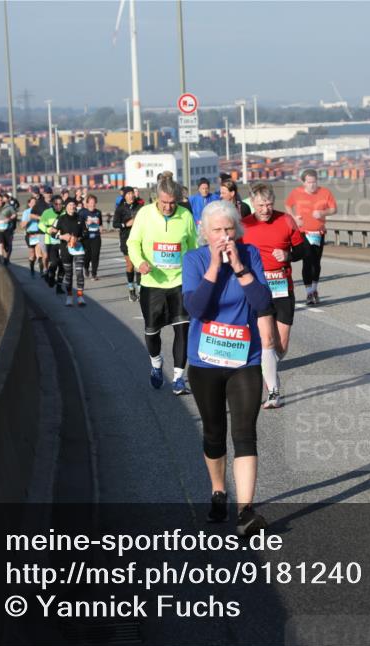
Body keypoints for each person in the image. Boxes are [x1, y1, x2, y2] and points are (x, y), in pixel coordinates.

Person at [182, 199, 273, 536]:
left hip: (244, 359)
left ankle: (245, 511)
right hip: (205, 361)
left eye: (229, 229)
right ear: (204, 233)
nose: (224, 236)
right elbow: (196, 307)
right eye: (217, 230)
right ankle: (219, 491)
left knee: (245, 432)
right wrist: (213, 267)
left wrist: (238, 267)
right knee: (214, 431)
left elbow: (263, 303)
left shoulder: (250, 255)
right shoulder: (193, 260)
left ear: (238, 230)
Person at [127, 177, 198, 394]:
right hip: (152, 283)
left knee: (183, 329)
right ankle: (156, 364)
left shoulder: (185, 216)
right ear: (157, 198)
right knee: (151, 332)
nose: (168, 207)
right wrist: (139, 262)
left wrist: (196, 276)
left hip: (179, 282)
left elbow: (193, 247)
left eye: (172, 202)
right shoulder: (145, 214)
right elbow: (133, 242)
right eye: (164, 202)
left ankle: (178, 378)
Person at [242, 183, 309, 409]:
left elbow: (303, 250)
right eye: (261, 205)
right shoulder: (244, 225)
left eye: (269, 204)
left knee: (281, 346)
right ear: (252, 203)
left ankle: (268, 365)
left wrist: (287, 254)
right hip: (258, 289)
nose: (265, 209)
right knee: (267, 341)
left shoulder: (286, 220)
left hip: (282, 288)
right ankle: (273, 391)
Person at [286, 169, 337, 305]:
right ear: (303, 182)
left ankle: (314, 290)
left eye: (314, 182)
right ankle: (309, 293)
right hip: (303, 232)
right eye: (309, 182)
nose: (312, 185)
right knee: (307, 260)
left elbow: (334, 209)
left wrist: (322, 213)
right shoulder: (296, 192)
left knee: (316, 262)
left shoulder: (325, 192)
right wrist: (294, 218)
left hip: (319, 233)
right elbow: (288, 205)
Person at [51, 198, 88, 307]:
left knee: (79, 272)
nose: (72, 206)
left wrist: (77, 238)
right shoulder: (60, 218)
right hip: (65, 248)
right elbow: (52, 233)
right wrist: (62, 236)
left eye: (73, 204)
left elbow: (86, 233)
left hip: (78, 248)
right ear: (66, 207)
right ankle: (69, 296)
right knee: (68, 273)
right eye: (70, 205)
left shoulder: (80, 218)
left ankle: (80, 296)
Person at [113, 186, 144, 302]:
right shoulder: (120, 209)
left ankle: (140, 290)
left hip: (140, 239)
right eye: (128, 194)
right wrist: (126, 224)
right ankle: (131, 290)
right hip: (126, 239)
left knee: (139, 265)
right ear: (124, 196)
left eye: (132, 193)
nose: (131, 196)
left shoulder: (140, 207)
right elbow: (115, 224)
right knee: (130, 265)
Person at [40, 195, 65, 293]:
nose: (58, 206)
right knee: (54, 262)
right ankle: (51, 275)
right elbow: (40, 224)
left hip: (63, 242)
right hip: (50, 242)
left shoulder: (65, 212)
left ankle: (59, 286)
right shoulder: (47, 213)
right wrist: (47, 229)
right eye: (56, 204)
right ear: (52, 204)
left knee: (63, 264)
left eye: (60, 204)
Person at [78, 194, 104, 281]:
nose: (92, 204)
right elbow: (79, 225)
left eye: (94, 202)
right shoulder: (82, 213)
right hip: (86, 237)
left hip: (96, 236)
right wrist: (86, 223)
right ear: (87, 203)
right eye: (91, 202)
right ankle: (86, 267)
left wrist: (101, 228)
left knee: (95, 255)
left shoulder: (98, 212)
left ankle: (94, 274)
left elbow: (100, 224)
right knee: (87, 256)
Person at [22, 196, 44, 277]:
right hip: (30, 234)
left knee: (39, 253)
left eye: (35, 203)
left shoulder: (40, 211)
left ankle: (42, 271)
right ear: (29, 204)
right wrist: (30, 218)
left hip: (39, 233)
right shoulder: (26, 212)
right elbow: (22, 225)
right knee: (32, 254)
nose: (34, 204)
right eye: (32, 203)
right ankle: (32, 269)